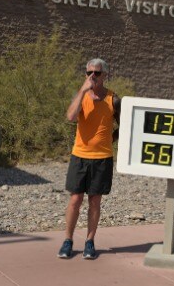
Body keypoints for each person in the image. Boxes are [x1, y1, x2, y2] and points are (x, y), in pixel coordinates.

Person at [57, 58, 120, 259]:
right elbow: (70, 117)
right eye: (89, 73)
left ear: (105, 75)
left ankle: (90, 241)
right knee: (75, 199)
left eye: (97, 73)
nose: (93, 76)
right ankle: (68, 240)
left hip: (102, 157)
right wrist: (83, 91)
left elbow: (125, 123)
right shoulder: (81, 96)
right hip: (80, 156)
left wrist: (112, 139)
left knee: (95, 201)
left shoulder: (113, 98)